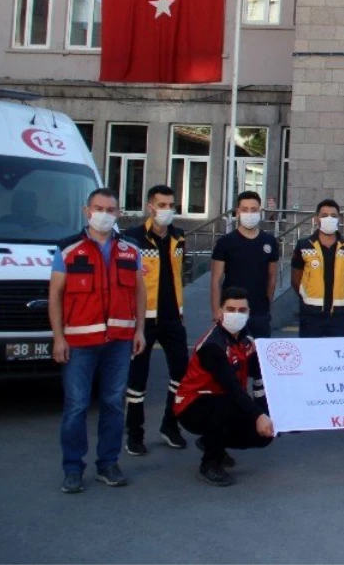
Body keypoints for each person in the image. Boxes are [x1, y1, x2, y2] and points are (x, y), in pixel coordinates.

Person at [48, 188, 147, 493]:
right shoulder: (68, 250)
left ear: (118, 214)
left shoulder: (130, 250)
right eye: (98, 208)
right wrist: (58, 338)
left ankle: (108, 464)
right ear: (87, 211)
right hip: (79, 343)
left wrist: (140, 330)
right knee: (76, 406)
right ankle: (73, 469)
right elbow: (55, 296)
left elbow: (140, 293)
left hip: (118, 340)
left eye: (111, 209)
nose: (104, 214)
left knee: (113, 405)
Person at [174, 288, 276, 487]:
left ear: (248, 313)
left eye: (241, 310)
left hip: (224, 402)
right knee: (226, 403)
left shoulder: (248, 340)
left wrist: (267, 413)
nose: (236, 314)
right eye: (230, 309)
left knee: (264, 435)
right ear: (220, 312)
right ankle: (210, 463)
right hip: (191, 406)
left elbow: (259, 375)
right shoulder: (212, 345)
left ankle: (212, 442)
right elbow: (232, 387)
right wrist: (258, 415)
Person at [122, 185, 189, 456]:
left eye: (171, 205)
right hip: (143, 319)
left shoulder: (179, 238)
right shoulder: (132, 238)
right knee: (138, 378)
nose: (167, 210)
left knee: (181, 375)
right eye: (162, 205)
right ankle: (135, 433)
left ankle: (170, 426)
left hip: (173, 317)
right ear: (150, 206)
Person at [210, 191, 279, 338]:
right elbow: (216, 280)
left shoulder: (270, 241)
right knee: (231, 357)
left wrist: (267, 306)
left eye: (253, 210)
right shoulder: (225, 242)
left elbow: (272, 277)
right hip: (231, 312)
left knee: (258, 357)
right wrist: (216, 310)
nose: (249, 213)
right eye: (245, 209)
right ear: (238, 212)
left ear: (260, 211)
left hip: (259, 313)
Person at [292, 199, 344, 338]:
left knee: (335, 357)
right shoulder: (304, 245)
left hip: (338, 316)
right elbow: (296, 279)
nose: (329, 219)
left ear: (339, 219)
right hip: (310, 315)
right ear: (317, 219)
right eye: (324, 215)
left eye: (333, 216)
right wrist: (306, 294)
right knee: (310, 356)